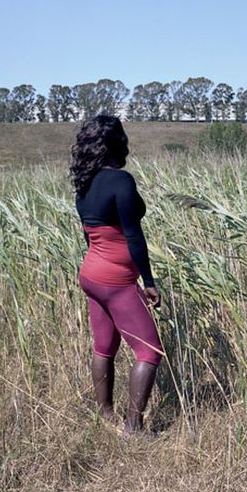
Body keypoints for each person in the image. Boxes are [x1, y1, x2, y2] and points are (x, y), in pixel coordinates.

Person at [70, 115, 164, 435]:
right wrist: (147, 282)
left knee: (103, 347)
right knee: (149, 351)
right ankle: (134, 427)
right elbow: (134, 236)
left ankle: (105, 414)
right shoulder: (121, 181)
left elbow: (89, 234)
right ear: (115, 143)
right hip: (116, 280)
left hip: (91, 274)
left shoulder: (84, 182)